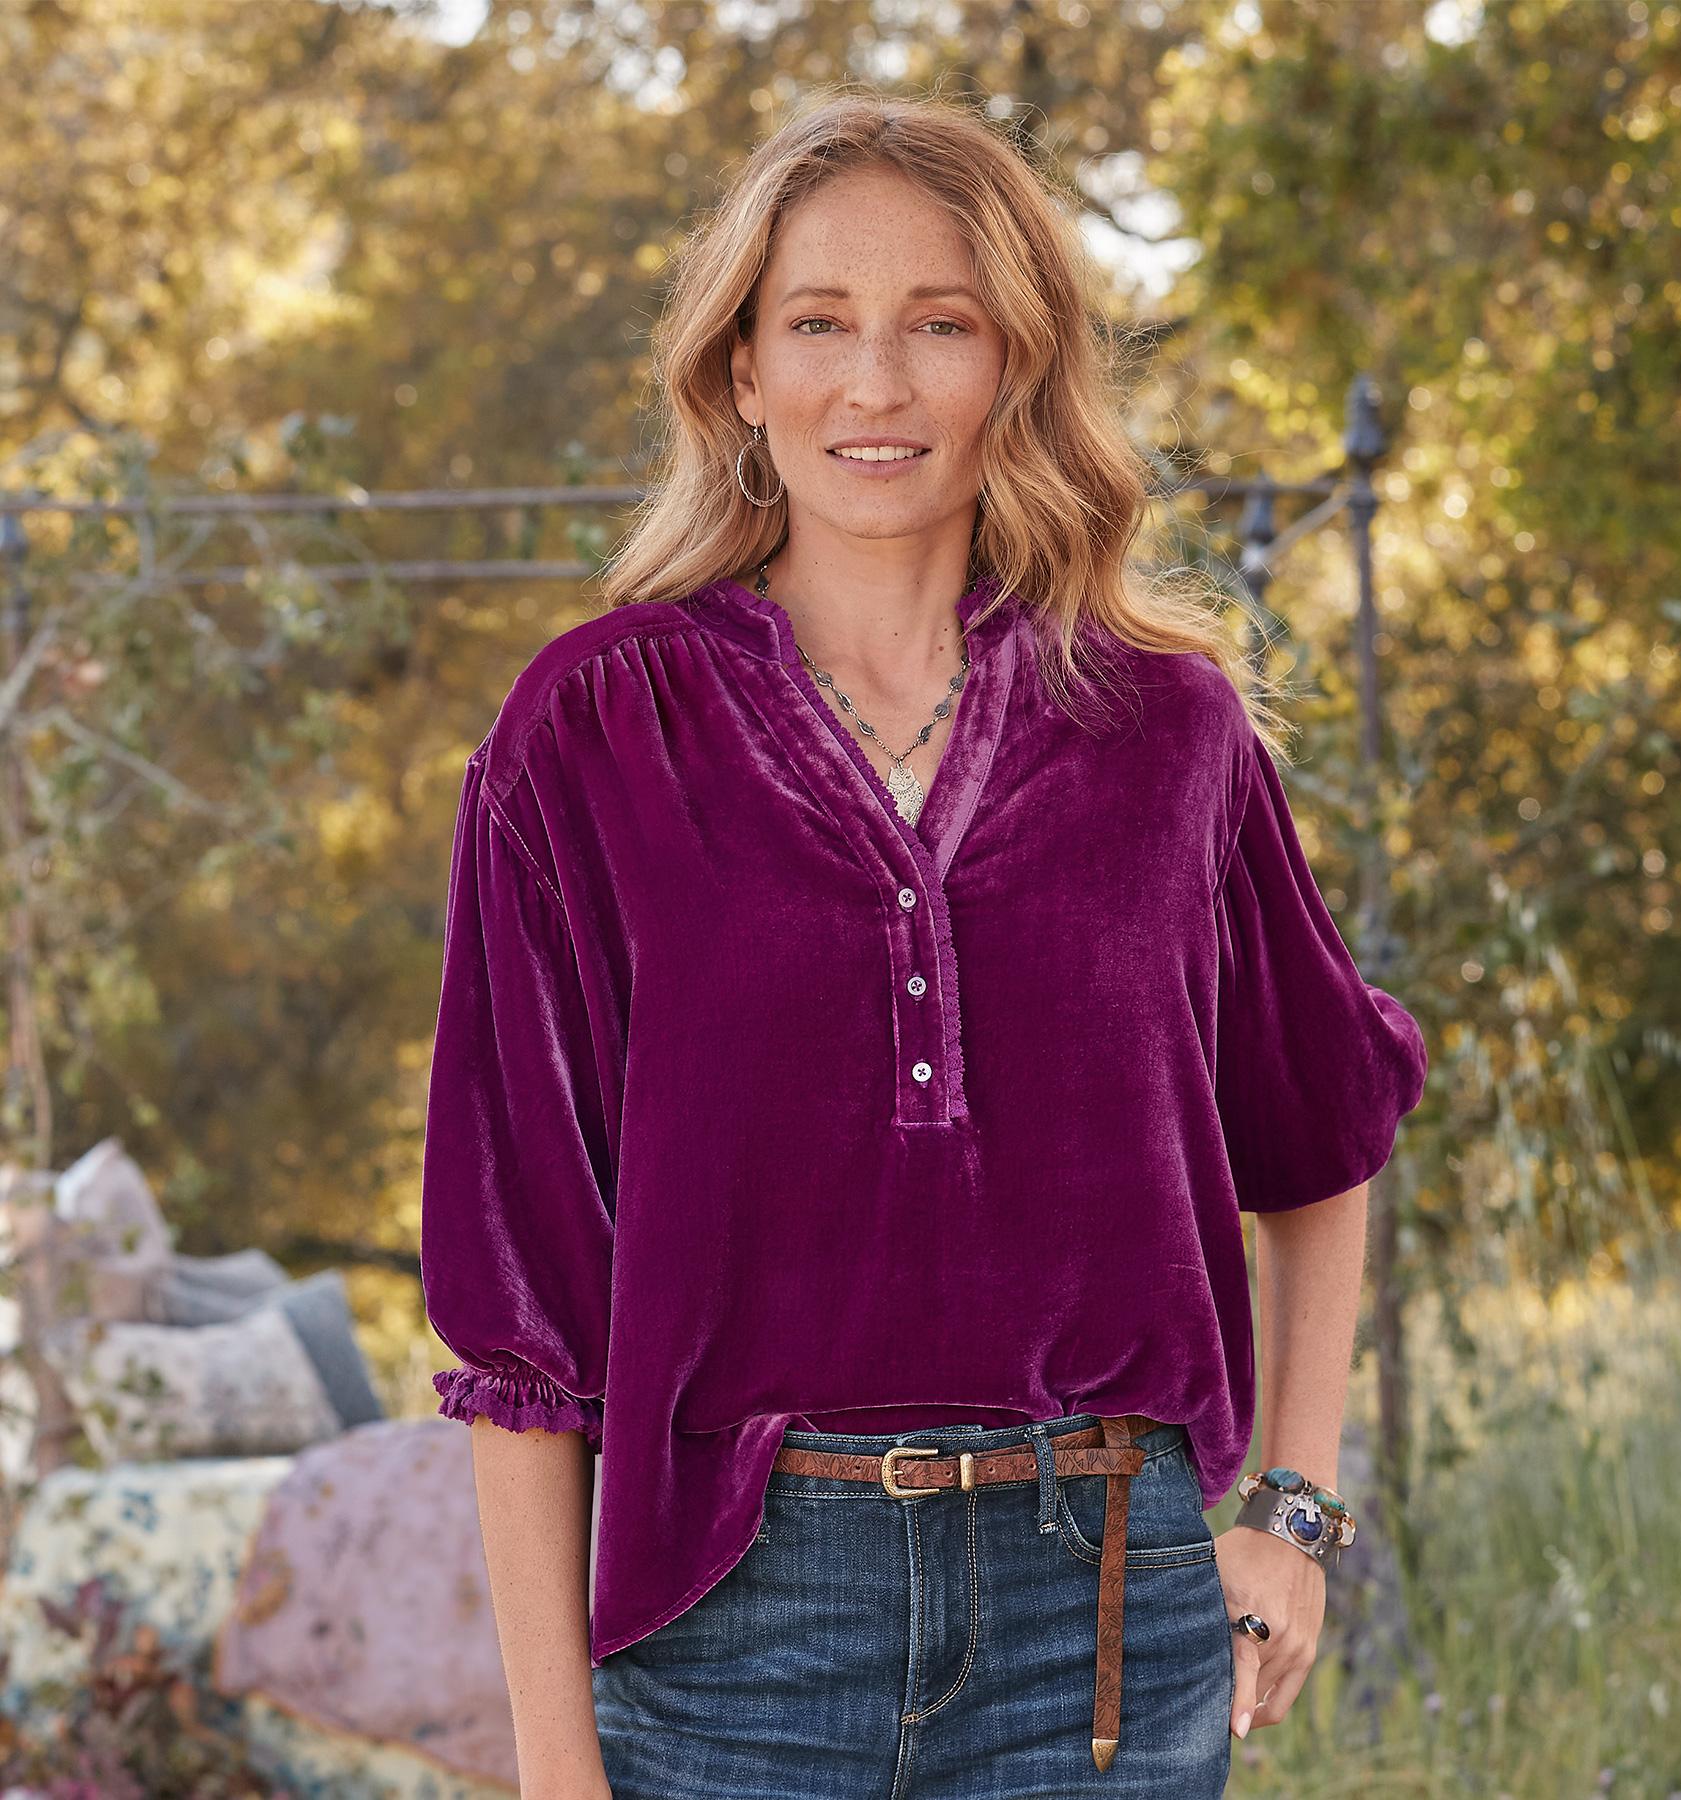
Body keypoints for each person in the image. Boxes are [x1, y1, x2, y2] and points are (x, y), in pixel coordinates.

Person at [418, 87, 1428, 1800]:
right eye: (820, 323)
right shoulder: (590, 734)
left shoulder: (1171, 733)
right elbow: (521, 1321)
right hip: (732, 1632)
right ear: (741, 371)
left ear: (1016, 365)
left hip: (1102, 1628)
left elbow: (1320, 1131)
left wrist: (1295, 1508)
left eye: (939, 325)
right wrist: (554, 1766)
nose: (874, 384)